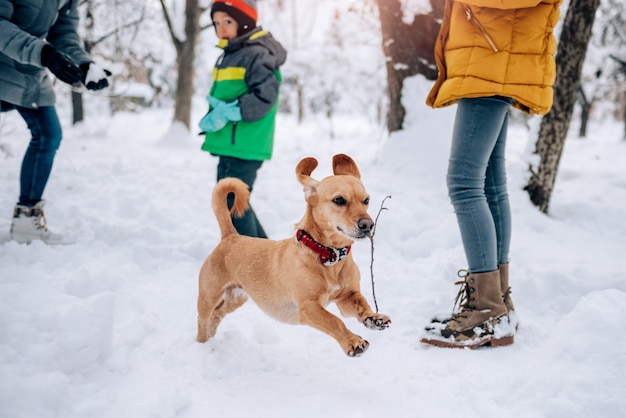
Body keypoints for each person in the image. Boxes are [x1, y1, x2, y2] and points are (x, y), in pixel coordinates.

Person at [420, 0, 562, 348]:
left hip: (492, 60)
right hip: (494, 57)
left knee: (464, 184)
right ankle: (496, 299)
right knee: (489, 184)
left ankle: (486, 309)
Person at [0, 0, 111, 244]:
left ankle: (25, 221)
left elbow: (64, 34)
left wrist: (84, 64)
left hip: (30, 71)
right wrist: (45, 54)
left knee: (48, 134)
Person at [199, 0, 286, 238]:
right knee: (232, 202)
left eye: (227, 21)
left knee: (232, 203)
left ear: (245, 23)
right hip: (231, 143)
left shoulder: (257, 54)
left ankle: (252, 263)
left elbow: (265, 96)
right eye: (216, 23)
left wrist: (231, 111)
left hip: (246, 144)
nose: (221, 28)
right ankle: (264, 257)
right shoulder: (232, 53)